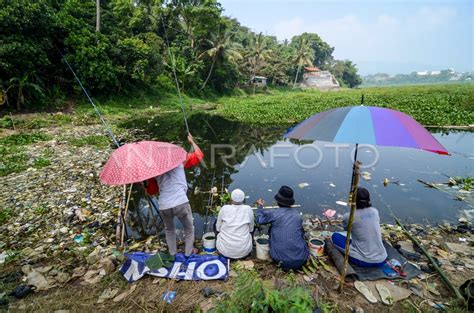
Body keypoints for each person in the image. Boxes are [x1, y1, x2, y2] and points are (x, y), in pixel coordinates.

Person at [145, 133, 203, 257]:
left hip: (164, 205)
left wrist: (145, 183)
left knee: (169, 230)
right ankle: (188, 254)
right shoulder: (179, 160)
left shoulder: (154, 169)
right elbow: (198, 156)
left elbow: (152, 192)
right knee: (189, 229)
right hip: (180, 202)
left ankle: (172, 254)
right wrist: (192, 142)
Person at [331, 187, 387, 267]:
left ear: (354, 200)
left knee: (335, 236)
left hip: (366, 260)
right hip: (383, 258)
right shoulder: (375, 211)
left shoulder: (349, 216)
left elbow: (347, 229)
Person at [256, 186, 309, 270]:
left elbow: (259, 220)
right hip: (301, 259)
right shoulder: (297, 215)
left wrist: (260, 207)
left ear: (277, 201)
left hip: (280, 260)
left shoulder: (274, 213)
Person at [215, 189, 254, 259]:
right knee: (251, 229)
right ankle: (248, 246)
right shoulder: (248, 209)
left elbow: (218, 228)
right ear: (243, 199)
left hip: (224, 252)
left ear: (231, 198)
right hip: (244, 252)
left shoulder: (224, 208)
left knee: (215, 224)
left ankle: (219, 245)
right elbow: (251, 229)